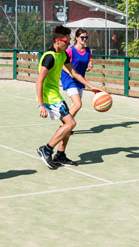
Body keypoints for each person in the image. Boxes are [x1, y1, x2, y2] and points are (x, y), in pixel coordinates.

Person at [36, 25, 100, 169]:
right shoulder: (49, 57)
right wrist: (41, 104)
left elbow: (74, 73)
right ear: (57, 41)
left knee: (68, 124)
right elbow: (39, 81)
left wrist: (90, 86)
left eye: (69, 40)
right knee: (70, 124)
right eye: (66, 41)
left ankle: (60, 155)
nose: (68, 43)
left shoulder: (63, 55)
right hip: (49, 97)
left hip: (55, 95)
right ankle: (46, 149)